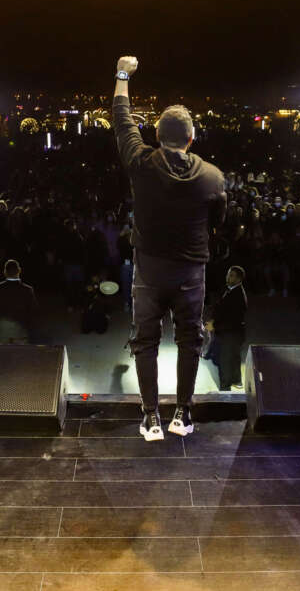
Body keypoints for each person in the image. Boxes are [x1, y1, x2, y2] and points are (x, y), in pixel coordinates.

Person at [112, 55, 226, 441]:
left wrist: (123, 73)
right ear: (192, 138)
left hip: (148, 270)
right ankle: (183, 413)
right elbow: (218, 221)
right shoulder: (212, 177)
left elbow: (122, 118)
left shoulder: (141, 163)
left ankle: (149, 418)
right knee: (189, 340)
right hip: (191, 271)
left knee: (144, 341)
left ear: (157, 136)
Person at [206, 266, 248, 391]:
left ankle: (225, 389)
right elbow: (222, 310)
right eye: (228, 274)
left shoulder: (238, 296)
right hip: (233, 333)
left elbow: (233, 320)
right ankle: (237, 380)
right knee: (234, 358)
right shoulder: (231, 290)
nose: (228, 277)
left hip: (231, 333)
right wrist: (214, 319)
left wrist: (214, 325)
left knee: (224, 362)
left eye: (232, 275)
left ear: (239, 279)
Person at [0, 259, 38, 343]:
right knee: (20, 354)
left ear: (5, 272)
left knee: (3, 354)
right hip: (21, 330)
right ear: (19, 271)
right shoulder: (27, 289)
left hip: (3, 329)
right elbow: (33, 310)